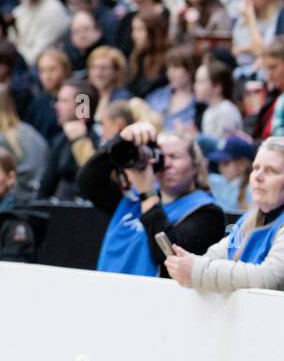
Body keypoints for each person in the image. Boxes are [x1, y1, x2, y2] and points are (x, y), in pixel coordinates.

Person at [78, 121, 225, 278]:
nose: (166, 164)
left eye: (174, 157)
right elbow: (88, 182)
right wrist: (121, 140)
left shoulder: (208, 213)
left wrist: (147, 192)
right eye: (160, 157)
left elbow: (165, 253)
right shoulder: (132, 201)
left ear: (195, 165)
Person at [165, 137, 284, 291]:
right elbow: (216, 255)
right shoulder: (247, 220)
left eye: (271, 171)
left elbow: (267, 278)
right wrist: (187, 263)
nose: (258, 176)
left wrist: (196, 269)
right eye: (256, 168)